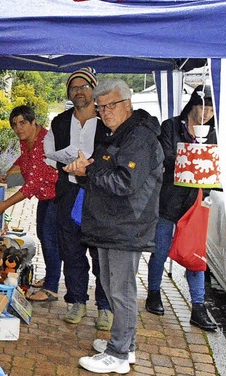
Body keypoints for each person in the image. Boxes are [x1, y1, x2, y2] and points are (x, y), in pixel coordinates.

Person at [65, 78, 163, 374]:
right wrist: (83, 172)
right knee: (110, 286)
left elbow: (124, 183)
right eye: (101, 106)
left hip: (127, 225)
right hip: (110, 223)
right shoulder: (115, 134)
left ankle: (119, 353)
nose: (106, 111)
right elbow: (104, 176)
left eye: (112, 105)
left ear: (128, 104)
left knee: (120, 290)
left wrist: (89, 169)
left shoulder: (139, 137)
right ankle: (126, 345)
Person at [43, 67, 112, 330]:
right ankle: (77, 301)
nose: (79, 92)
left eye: (84, 87)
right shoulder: (60, 122)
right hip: (70, 193)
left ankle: (105, 307)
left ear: (94, 90)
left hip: (98, 196)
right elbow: (50, 152)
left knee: (100, 254)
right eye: (74, 88)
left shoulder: (107, 121)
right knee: (71, 250)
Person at [145, 85, 218, 331]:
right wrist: (191, 157)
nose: (205, 113)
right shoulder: (171, 126)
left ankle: (198, 306)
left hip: (195, 202)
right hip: (168, 199)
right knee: (160, 248)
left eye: (210, 109)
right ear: (192, 105)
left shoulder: (214, 132)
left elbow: (215, 165)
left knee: (194, 254)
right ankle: (153, 292)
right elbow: (164, 157)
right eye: (201, 107)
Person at [0, 105, 60, 302]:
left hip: (57, 196)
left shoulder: (43, 143)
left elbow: (31, 185)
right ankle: (51, 277)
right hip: (46, 196)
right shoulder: (27, 140)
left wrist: (4, 205)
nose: (18, 128)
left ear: (33, 122)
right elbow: (23, 159)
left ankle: (52, 288)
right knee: (45, 237)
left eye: (22, 123)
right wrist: (9, 172)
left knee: (50, 239)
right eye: (14, 125)